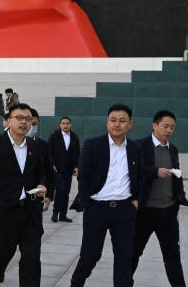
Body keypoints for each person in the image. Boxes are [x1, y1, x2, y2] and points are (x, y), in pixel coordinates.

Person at [0, 103, 50, 287]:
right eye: (19, 118)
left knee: (31, 261)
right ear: (8, 121)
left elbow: (41, 173)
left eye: (28, 119)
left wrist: (42, 187)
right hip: (6, 213)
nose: (24, 122)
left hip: (31, 213)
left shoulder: (34, 146)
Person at [70, 104, 143, 287]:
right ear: (107, 122)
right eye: (113, 120)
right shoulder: (93, 145)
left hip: (124, 211)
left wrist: (135, 201)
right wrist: (87, 203)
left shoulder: (135, 148)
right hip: (97, 209)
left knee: (124, 258)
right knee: (90, 256)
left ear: (130, 124)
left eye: (122, 121)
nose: (117, 124)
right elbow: (83, 175)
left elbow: (141, 176)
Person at [131, 110, 188, 287]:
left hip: (168, 212)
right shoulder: (139, 146)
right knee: (133, 253)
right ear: (155, 125)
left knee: (172, 255)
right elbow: (133, 172)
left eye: (172, 127)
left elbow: (176, 175)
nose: (169, 130)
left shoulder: (173, 149)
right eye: (166, 126)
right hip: (145, 212)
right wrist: (155, 171)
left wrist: (179, 197)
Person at [47, 116, 81, 223]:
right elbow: (49, 151)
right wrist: (52, 164)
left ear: (70, 125)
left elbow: (77, 153)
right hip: (57, 169)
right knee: (60, 190)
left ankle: (63, 215)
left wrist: (76, 166)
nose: (65, 125)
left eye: (67, 123)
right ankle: (55, 213)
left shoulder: (74, 137)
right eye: (63, 123)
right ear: (60, 125)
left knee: (66, 193)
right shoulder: (54, 136)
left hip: (68, 170)